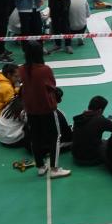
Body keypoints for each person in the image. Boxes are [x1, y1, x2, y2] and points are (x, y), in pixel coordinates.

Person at [18, 41, 71, 178]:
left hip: (31, 109)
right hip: (46, 108)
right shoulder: (45, 69)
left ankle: (40, 166)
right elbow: (52, 86)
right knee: (55, 137)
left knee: (35, 137)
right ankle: (54, 169)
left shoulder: (21, 69)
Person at [72, 96, 112, 166]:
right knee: (109, 143)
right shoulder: (100, 120)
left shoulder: (79, 117)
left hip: (76, 156)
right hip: (91, 159)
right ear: (100, 110)